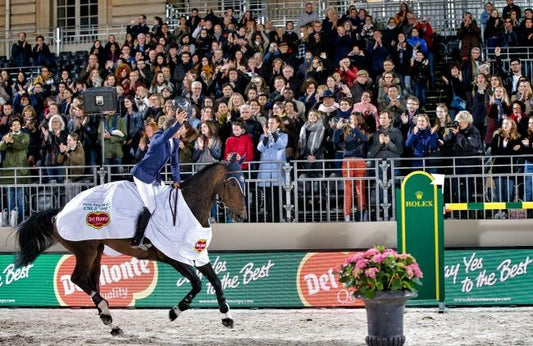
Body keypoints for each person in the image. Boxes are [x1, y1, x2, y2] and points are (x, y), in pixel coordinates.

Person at [129, 110, 188, 250]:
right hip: (142, 174)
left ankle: (153, 235)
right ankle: (137, 239)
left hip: (154, 176)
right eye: (180, 128)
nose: (183, 131)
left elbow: (175, 163)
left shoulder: (175, 141)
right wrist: (177, 123)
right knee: (151, 205)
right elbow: (163, 138)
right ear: (172, 128)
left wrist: (176, 180)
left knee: (162, 203)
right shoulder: (158, 136)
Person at [333, 113, 369, 222]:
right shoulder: (346, 131)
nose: (352, 121)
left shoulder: (364, 131)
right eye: (351, 119)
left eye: (354, 119)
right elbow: (335, 141)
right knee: (348, 189)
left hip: (360, 161)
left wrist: (356, 129)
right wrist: (337, 129)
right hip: (347, 162)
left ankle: (361, 213)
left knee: (360, 188)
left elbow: (364, 139)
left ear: (359, 120)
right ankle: (347, 215)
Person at [257, 115, 288, 222]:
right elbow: (260, 148)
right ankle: (270, 219)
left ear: (278, 124)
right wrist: (266, 137)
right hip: (266, 171)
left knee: (278, 198)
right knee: (268, 199)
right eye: (269, 123)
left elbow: (281, 145)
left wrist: (274, 134)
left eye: (272, 123)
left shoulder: (283, 135)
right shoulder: (263, 136)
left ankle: (278, 219)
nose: (270, 125)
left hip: (278, 171)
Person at [0, 117, 30, 223]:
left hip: (21, 169)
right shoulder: (7, 136)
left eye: (18, 124)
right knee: (10, 195)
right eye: (14, 125)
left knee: (20, 195)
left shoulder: (25, 135)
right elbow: (1, 147)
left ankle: (21, 219)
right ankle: (11, 219)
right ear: (11, 127)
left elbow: (23, 146)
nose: (16, 126)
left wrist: (12, 141)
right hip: (9, 170)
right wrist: (5, 142)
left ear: (20, 126)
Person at [490, 118, 522, 218]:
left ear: (512, 125)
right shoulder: (497, 137)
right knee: (500, 192)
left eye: (507, 123)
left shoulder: (517, 137)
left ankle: (507, 212)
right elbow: (494, 152)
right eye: (504, 123)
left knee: (509, 193)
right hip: (498, 169)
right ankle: (501, 212)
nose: (505, 125)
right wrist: (510, 150)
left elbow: (516, 153)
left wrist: (507, 152)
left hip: (510, 169)